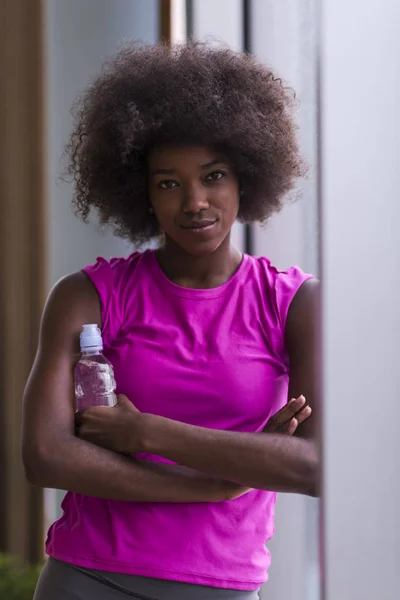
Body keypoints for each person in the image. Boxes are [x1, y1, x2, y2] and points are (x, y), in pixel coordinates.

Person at [23, 42, 319, 600]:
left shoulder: (294, 303)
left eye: (214, 176)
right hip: (86, 577)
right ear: (143, 194)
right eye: (168, 183)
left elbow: (314, 465)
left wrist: (144, 432)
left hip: (221, 584)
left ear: (245, 179)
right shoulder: (88, 295)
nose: (194, 202)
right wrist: (215, 484)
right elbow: (46, 454)